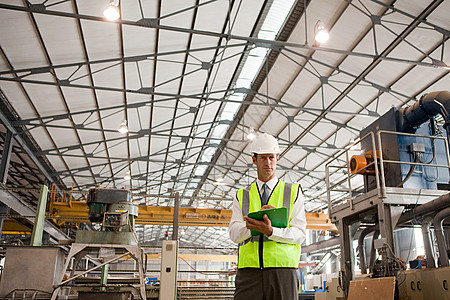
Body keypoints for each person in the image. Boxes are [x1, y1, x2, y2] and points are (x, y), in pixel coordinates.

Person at [228, 133, 306, 300]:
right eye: (263, 158)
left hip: (283, 272)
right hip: (249, 273)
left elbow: (300, 234)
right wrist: (252, 226)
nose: (268, 163)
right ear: (254, 160)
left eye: (271, 157)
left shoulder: (293, 191)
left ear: (277, 158)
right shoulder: (242, 195)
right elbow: (234, 234)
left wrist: (271, 231)